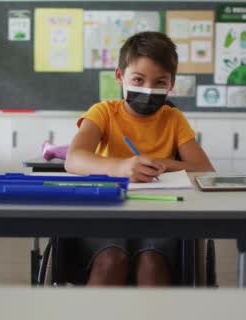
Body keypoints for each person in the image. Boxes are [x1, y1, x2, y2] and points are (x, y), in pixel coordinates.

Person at [65, 31, 214, 286]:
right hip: (107, 214)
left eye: (159, 82)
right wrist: (121, 166)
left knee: (151, 264)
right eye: (138, 79)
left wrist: (163, 163)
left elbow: (205, 169)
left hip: (159, 216)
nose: (148, 89)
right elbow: (74, 159)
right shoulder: (103, 112)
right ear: (120, 76)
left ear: (171, 84)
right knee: (111, 260)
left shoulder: (173, 119)